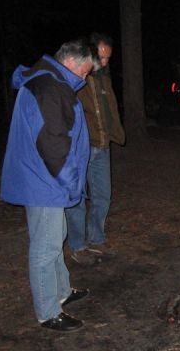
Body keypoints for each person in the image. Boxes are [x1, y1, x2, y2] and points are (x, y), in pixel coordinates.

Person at [0, 39, 94, 331]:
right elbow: (53, 144)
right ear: (71, 64)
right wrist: (71, 184)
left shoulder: (48, 82)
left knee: (57, 237)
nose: (86, 78)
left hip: (45, 179)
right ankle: (47, 311)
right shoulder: (50, 88)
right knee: (45, 246)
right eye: (85, 72)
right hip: (44, 180)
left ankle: (62, 292)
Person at [65, 33, 125, 265]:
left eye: (108, 58)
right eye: (101, 57)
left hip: (102, 145)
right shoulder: (76, 80)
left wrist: (115, 134)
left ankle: (96, 239)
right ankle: (78, 246)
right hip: (82, 147)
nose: (104, 62)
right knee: (78, 198)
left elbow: (109, 111)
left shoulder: (103, 79)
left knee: (102, 196)